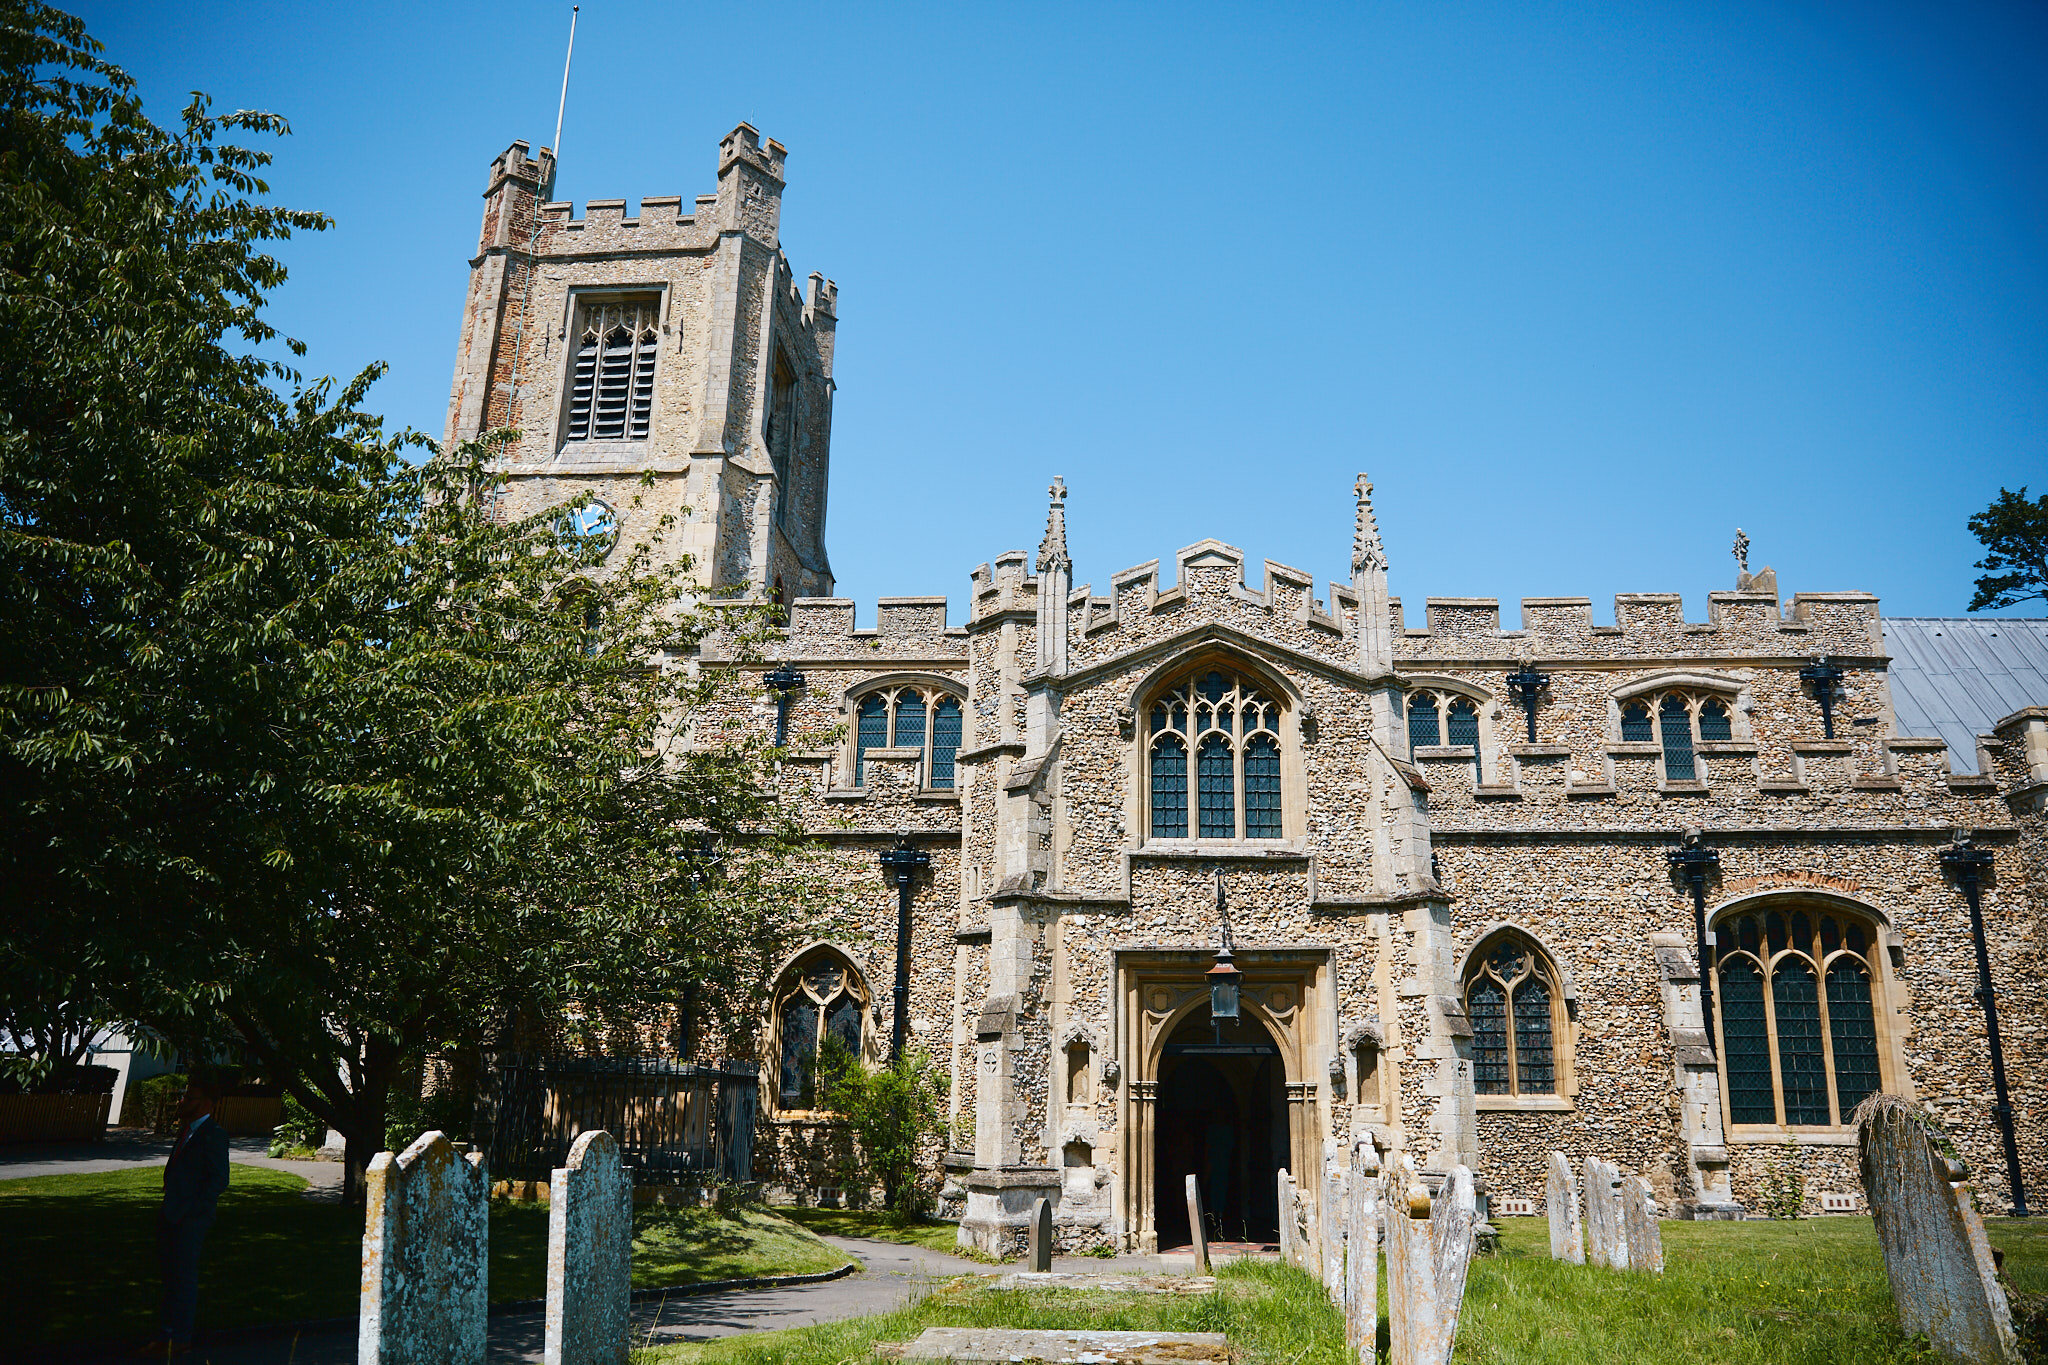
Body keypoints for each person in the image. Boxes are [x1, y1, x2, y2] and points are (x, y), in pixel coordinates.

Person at [137, 1073, 231, 1356]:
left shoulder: (213, 1135)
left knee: (183, 1277)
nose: (183, 1101)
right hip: (171, 1213)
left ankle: (180, 1337)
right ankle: (166, 1333)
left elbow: (218, 1180)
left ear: (206, 1103)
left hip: (189, 1219)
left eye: (189, 1098)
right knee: (169, 1277)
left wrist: (192, 1212)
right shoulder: (187, 1131)